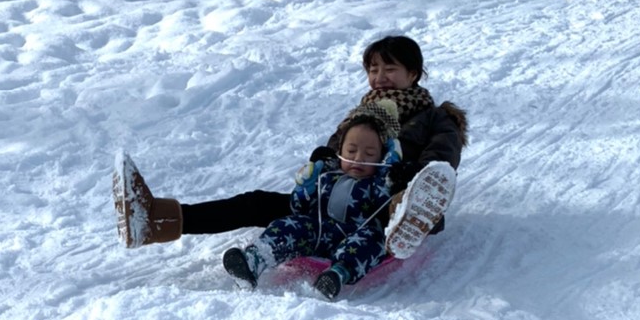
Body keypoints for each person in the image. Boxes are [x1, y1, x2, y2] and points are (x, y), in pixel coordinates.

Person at [113, 34, 468, 259]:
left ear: (414, 74)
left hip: (382, 203)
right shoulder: (364, 113)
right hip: (335, 200)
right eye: (373, 69)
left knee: (409, 197)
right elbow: (339, 147)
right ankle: (157, 219)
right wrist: (327, 157)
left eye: (389, 69)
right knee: (255, 203)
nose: (379, 77)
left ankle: (410, 218)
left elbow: (443, 156)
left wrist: (410, 173)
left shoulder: (436, 117)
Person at [223, 107, 403, 300]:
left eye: (369, 154)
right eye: (351, 151)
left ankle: (337, 275)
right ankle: (255, 259)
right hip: (319, 231)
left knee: (373, 240)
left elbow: (386, 203)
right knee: (290, 225)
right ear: (340, 151)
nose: (358, 159)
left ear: (382, 157)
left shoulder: (377, 183)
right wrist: (304, 189)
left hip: (355, 234)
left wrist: (391, 167)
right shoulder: (327, 175)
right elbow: (299, 208)